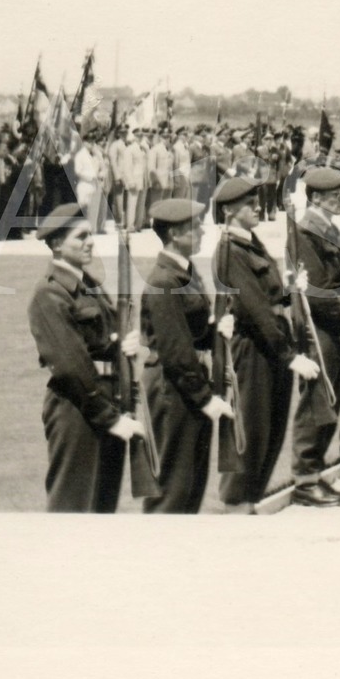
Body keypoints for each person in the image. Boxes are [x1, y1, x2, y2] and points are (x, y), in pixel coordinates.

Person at [26, 204, 144, 512]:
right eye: (80, 237)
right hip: (77, 409)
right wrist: (110, 419)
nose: (90, 241)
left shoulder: (89, 284)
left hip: (108, 402)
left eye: (90, 234)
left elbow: (102, 342)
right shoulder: (49, 293)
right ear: (56, 245)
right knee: (73, 506)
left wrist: (121, 344)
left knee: (102, 507)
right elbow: (70, 366)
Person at [210, 176, 317, 513]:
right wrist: (289, 356)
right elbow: (255, 309)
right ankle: (237, 505)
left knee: (271, 430)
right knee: (252, 431)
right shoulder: (230, 251)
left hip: (270, 344)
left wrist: (290, 292)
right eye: (247, 203)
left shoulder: (250, 242)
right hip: (254, 348)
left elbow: (268, 295)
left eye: (256, 200)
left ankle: (251, 501)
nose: (257, 206)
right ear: (229, 210)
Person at [139, 198, 233, 514]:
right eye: (195, 227)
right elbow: (176, 351)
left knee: (192, 480)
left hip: (186, 384)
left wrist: (216, 327)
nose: (203, 231)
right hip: (173, 387)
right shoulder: (164, 281)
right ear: (176, 234)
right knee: (172, 487)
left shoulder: (185, 272)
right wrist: (205, 398)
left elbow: (194, 333)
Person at [287, 166, 340, 508]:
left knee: (328, 406)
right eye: (335, 195)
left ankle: (315, 475)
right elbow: (318, 292)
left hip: (334, 327)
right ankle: (304, 480)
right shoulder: (307, 232)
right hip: (323, 330)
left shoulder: (325, 229)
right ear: (316, 197)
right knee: (316, 406)